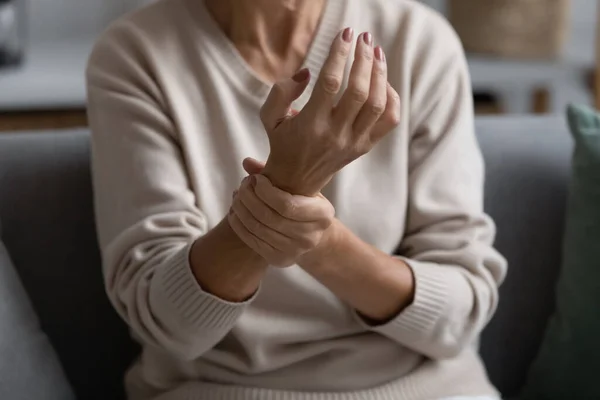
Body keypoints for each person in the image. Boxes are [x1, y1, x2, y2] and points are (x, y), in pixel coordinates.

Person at [86, 0, 507, 399]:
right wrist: (287, 183)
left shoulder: (419, 42)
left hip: (427, 388)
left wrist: (317, 235)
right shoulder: (135, 55)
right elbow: (170, 327)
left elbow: (459, 315)